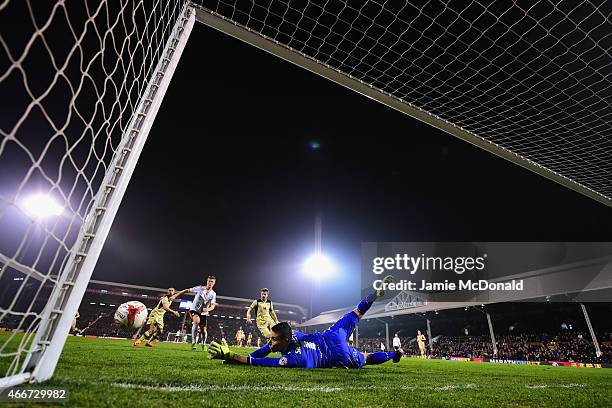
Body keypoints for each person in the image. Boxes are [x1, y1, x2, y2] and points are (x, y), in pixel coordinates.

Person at [209, 276, 402, 368]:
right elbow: (264, 350)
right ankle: (374, 295)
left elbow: (260, 361)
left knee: (366, 359)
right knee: (357, 312)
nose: (270, 342)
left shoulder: (293, 358)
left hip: (337, 353)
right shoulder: (288, 336)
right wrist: (236, 356)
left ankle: (393, 354)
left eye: (273, 340)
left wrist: (231, 356)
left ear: (285, 340)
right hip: (332, 334)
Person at [173, 276, 217, 350]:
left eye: (211, 282)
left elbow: (213, 306)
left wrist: (208, 309)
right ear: (207, 281)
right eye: (209, 281)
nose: (210, 283)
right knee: (196, 321)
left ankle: (203, 343)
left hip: (203, 313)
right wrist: (176, 295)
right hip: (194, 309)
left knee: (203, 330)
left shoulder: (213, 294)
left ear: (214, 283)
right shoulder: (200, 288)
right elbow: (187, 290)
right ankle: (193, 342)